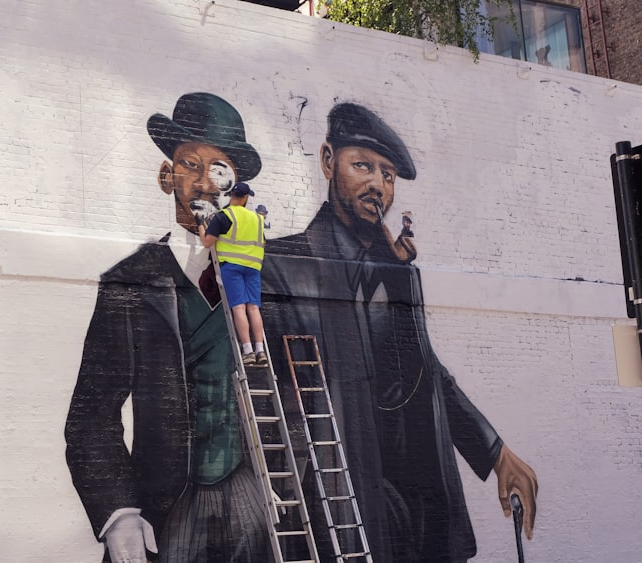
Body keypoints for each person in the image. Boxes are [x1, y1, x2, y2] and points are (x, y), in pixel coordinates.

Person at [262, 102, 539, 562]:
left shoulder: (400, 274)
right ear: (329, 161)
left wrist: (495, 453)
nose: (377, 185)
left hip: (422, 511)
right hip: (345, 508)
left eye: (388, 175)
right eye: (363, 166)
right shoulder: (283, 266)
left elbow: (428, 374)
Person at [65, 92, 272, 563]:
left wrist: (285, 476)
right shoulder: (130, 280)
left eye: (219, 168)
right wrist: (120, 515)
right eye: (191, 165)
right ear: (167, 176)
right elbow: (91, 416)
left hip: (252, 498)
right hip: (167, 510)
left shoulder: (265, 275)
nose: (204, 182)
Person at [198, 182, 268, 366]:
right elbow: (262, 243)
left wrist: (201, 226)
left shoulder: (224, 216)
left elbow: (207, 243)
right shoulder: (257, 219)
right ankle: (260, 350)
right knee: (253, 308)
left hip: (232, 267)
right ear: (245, 198)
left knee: (238, 308)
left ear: (232, 196)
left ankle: (248, 350)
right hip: (253, 267)